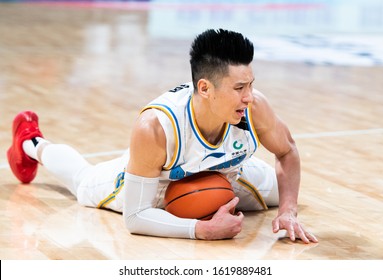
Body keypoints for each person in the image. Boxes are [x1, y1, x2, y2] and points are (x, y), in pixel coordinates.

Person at [7, 29, 317, 243]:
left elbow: (287, 152)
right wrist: (201, 230)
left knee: (283, 197)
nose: (249, 96)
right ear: (205, 88)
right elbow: (136, 218)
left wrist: (289, 211)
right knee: (84, 182)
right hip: (158, 184)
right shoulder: (155, 127)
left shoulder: (253, 106)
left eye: (250, 84)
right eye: (239, 88)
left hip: (226, 172)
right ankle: (30, 142)